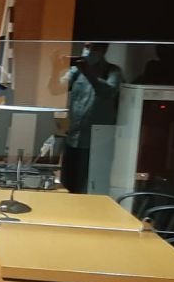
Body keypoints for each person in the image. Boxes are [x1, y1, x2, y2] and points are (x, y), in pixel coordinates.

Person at [48, 42, 122, 193]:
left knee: (93, 188)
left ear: (104, 49)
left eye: (93, 47)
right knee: (68, 187)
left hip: (98, 144)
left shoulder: (113, 71)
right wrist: (56, 68)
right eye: (86, 46)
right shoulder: (76, 71)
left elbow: (108, 93)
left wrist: (89, 72)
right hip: (73, 139)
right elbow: (55, 89)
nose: (88, 51)